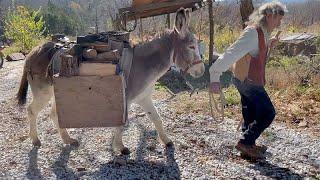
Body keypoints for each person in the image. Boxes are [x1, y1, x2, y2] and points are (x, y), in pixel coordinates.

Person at [209, 1, 287, 159]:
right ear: (269, 16)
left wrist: (269, 43)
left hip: (247, 79)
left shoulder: (263, 32)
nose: (280, 22)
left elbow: (256, 49)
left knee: (250, 112)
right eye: (278, 18)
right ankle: (245, 142)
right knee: (267, 112)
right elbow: (231, 53)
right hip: (248, 81)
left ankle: (247, 146)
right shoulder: (252, 33)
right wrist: (215, 74)